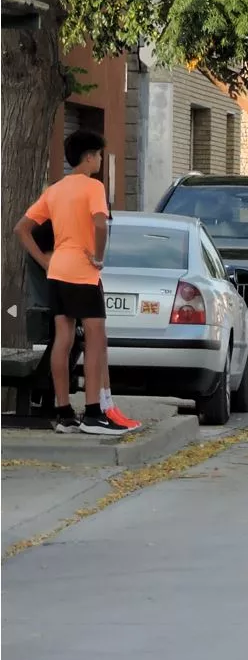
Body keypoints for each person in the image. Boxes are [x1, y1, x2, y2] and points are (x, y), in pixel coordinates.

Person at [12, 131, 129, 435]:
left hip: (58, 271)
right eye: (100, 156)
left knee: (62, 339)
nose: (101, 161)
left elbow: (21, 229)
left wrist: (44, 260)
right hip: (83, 271)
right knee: (95, 340)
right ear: (89, 156)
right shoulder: (93, 186)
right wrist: (100, 257)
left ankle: (63, 413)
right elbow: (101, 223)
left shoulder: (55, 190)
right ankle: (93, 413)